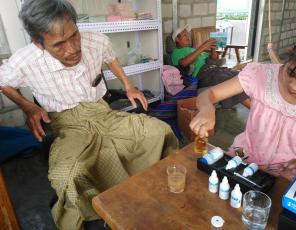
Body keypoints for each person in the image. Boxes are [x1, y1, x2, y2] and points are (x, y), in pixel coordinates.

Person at [0, 0, 178, 229]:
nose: (73, 49)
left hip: (102, 112)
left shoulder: (96, 40)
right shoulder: (25, 60)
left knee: (159, 131)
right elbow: (3, 82)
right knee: (69, 173)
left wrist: (128, 85)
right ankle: (102, 208)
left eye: (74, 35)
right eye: (59, 44)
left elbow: (110, 57)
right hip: (67, 123)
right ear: (39, 43)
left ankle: (155, 187)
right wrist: (28, 106)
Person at [190, 27, 296, 180]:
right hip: (244, 153)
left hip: (289, 174)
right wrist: (206, 108)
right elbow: (209, 94)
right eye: (290, 72)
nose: (294, 86)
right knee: (224, 180)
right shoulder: (260, 74)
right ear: (290, 54)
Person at [171, 25, 248, 108]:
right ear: (177, 40)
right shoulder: (176, 52)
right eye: (184, 35)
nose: (188, 37)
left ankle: (258, 107)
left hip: (215, 69)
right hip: (204, 75)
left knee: (240, 76)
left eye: (188, 35)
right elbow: (184, 63)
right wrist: (202, 47)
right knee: (232, 82)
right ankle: (256, 110)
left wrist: (213, 49)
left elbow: (213, 59)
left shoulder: (193, 50)